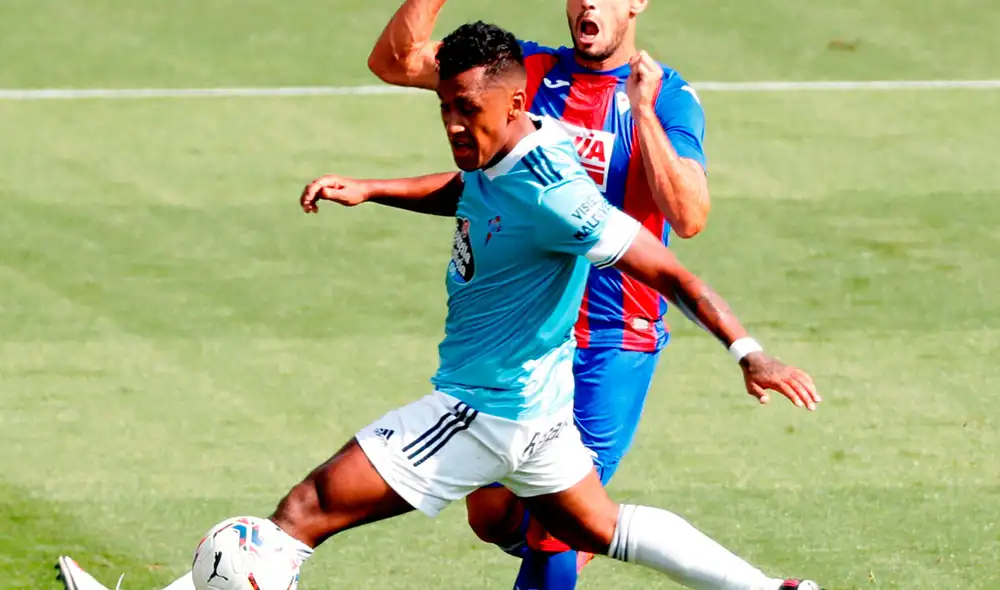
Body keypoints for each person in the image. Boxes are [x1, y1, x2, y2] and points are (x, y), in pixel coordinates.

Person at [58, 22, 821, 590]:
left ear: (512, 99)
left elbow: (672, 269)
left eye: (467, 111)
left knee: (302, 511)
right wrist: (373, 188)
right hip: (537, 417)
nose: (456, 125)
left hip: (484, 413)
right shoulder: (515, 142)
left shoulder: (558, 194)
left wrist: (749, 354)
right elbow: (470, 190)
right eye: (447, 110)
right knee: (602, 527)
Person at [366, 1, 719, 588]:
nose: (589, 4)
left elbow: (688, 216)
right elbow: (396, 62)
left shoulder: (668, 95)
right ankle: (566, 541)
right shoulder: (523, 71)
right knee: (492, 514)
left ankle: (561, 545)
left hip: (613, 337)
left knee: (556, 529)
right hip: (530, 338)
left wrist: (642, 111)